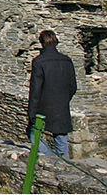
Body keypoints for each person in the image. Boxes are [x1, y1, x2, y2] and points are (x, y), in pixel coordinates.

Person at [27, 29, 77, 157]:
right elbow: (73, 86)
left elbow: (35, 89)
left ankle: (49, 157)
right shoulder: (67, 61)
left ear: (42, 43)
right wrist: (64, 98)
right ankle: (65, 166)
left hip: (43, 106)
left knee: (33, 132)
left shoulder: (39, 61)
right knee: (61, 138)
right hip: (61, 106)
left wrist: (31, 111)